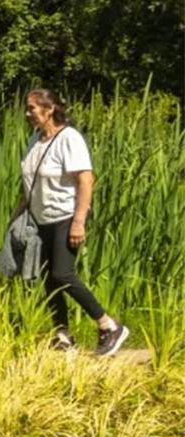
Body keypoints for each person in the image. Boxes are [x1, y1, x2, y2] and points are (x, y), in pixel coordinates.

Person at [13, 89, 128, 355]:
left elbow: (86, 180)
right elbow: (31, 184)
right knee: (49, 279)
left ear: (49, 108)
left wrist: (79, 221)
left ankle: (108, 325)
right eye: (27, 108)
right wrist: (17, 216)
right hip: (40, 219)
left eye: (32, 108)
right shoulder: (35, 140)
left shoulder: (69, 139)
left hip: (65, 216)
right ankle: (62, 335)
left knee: (63, 274)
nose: (28, 113)